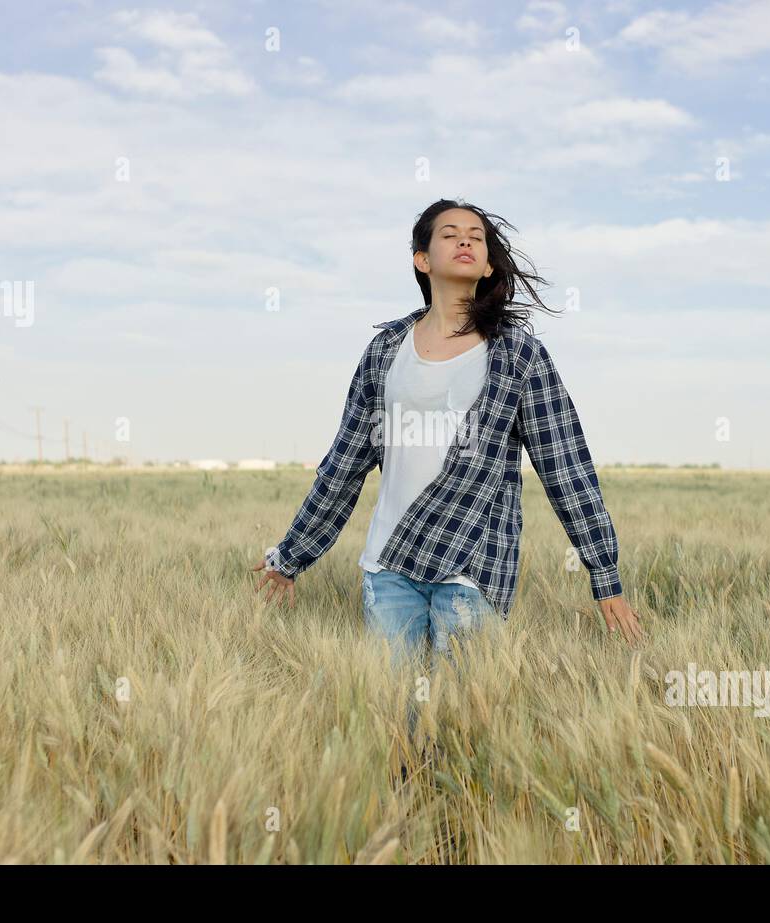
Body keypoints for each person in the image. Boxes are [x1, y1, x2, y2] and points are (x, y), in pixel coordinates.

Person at [250, 199, 643, 758]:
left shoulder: (518, 355)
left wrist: (604, 573)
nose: (465, 242)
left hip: (473, 566)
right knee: (393, 720)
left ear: (486, 265)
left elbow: (567, 465)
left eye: (477, 238)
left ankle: (462, 820)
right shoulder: (386, 351)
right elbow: (343, 464)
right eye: (449, 234)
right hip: (389, 565)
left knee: (461, 720)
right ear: (421, 259)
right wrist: (291, 558)